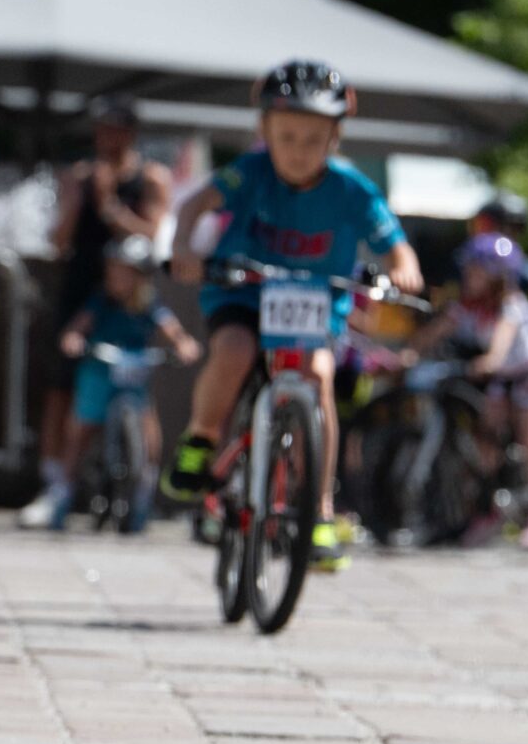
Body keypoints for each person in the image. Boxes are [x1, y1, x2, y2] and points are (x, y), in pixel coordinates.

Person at [162, 61, 422, 569]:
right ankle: (201, 437)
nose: (299, 150)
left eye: (313, 139)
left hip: (314, 309)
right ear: (264, 131)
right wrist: (183, 249)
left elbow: (396, 246)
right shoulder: (249, 171)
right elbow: (192, 208)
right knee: (234, 350)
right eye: (286, 137)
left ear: (335, 138)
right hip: (244, 294)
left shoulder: (352, 190)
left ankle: (318, 509)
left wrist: (404, 271)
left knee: (318, 377)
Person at [30, 98, 172, 521]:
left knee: (139, 395)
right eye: (101, 129)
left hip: (131, 299)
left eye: (115, 129)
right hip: (82, 291)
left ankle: (143, 485)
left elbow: (155, 236)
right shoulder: (80, 176)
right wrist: (77, 200)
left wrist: (111, 206)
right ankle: (56, 485)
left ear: (131, 133)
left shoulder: (151, 178)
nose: (106, 138)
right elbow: (58, 241)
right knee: (62, 387)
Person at [420, 233, 528, 550]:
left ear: (496, 276)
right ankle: (488, 509)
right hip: (501, 379)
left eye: (475, 270)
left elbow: (497, 352)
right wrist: (409, 354)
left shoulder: (512, 306)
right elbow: (435, 331)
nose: (468, 275)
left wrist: (484, 362)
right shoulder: (468, 305)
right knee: (486, 441)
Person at [46, 234, 199, 531]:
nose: (116, 277)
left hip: (134, 374)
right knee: (81, 430)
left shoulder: (150, 304)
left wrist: (183, 344)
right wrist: (74, 338)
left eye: (125, 272)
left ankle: (143, 491)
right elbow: (78, 327)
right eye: (114, 270)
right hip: (100, 369)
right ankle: (63, 493)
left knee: (149, 430)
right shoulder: (101, 301)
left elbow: (172, 329)